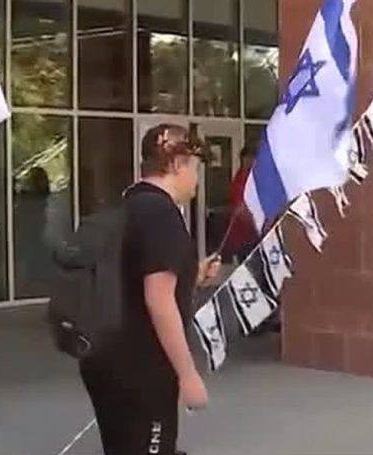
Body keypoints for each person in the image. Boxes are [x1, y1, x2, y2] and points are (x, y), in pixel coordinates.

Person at [79, 124, 220, 455]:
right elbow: (158, 299)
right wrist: (187, 374)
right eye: (194, 168)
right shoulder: (162, 213)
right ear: (175, 165)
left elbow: (134, 273)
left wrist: (192, 275)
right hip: (141, 367)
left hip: (105, 359)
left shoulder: (131, 202)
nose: (196, 180)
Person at [224, 145, 259, 263]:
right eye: (249, 158)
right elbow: (240, 207)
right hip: (244, 235)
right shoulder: (241, 179)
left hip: (252, 234)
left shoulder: (252, 178)